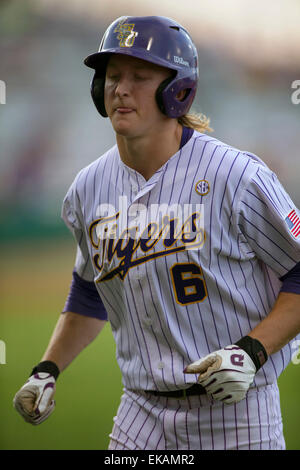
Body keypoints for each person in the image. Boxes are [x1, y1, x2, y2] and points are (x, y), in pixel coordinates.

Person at [13, 15, 300, 450]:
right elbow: (91, 290)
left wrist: (252, 351)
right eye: (112, 76)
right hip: (140, 413)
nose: (120, 88)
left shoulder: (235, 176)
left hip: (238, 413)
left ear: (177, 90)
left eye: (140, 76)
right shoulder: (87, 189)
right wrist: (47, 369)